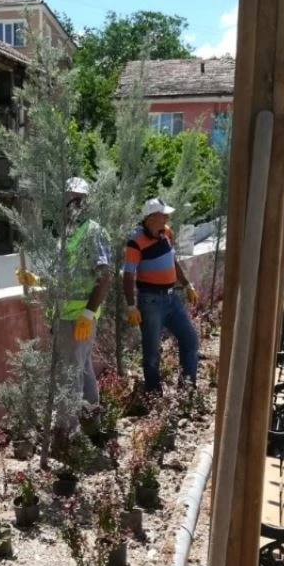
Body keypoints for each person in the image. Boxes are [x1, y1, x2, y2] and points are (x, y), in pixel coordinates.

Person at [122, 197, 200, 393]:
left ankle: (187, 389)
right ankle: (153, 393)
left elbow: (172, 261)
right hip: (150, 301)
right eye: (162, 214)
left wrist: (187, 284)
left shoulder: (166, 233)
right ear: (150, 218)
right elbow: (128, 275)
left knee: (190, 339)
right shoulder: (135, 241)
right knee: (151, 353)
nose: (166, 217)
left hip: (171, 298)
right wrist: (131, 305)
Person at [55, 176, 111, 439]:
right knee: (82, 370)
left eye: (78, 199)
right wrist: (36, 279)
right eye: (69, 198)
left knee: (71, 375)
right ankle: (92, 423)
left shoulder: (92, 231)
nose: (73, 204)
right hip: (65, 316)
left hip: (79, 317)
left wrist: (88, 312)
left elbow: (104, 276)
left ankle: (68, 432)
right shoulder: (67, 234)